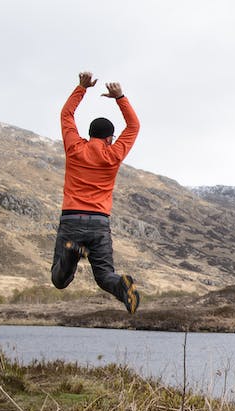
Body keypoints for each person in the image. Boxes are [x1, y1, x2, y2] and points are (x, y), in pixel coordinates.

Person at [50, 71, 141, 313]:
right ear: (111, 138)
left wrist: (81, 88)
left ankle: (71, 255)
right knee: (104, 276)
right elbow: (134, 126)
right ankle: (122, 286)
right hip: (99, 223)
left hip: (71, 219)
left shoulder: (75, 147)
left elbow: (66, 115)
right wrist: (120, 97)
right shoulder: (113, 154)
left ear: (89, 134)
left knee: (59, 280)